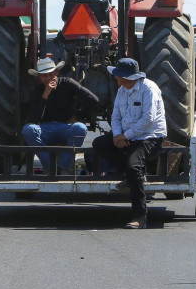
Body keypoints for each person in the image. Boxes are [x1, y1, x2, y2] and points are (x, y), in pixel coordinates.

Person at [92, 58, 167, 229]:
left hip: (148, 137)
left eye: (118, 75)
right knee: (99, 144)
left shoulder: (149, 89)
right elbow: (116, 115)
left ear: (128, 77)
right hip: (127, 136)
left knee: (134, 167)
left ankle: (140, 217)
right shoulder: (122, 91)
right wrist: (117, 135)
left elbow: (149, 120)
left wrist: (125, 136)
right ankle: (128, 175)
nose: (116, 78)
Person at [21, 57, 99, 174]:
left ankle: (64, 167)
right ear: (39, 76)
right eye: (44, 75)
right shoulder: (37, 91)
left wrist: (77, 116)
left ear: (57, 72)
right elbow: (34, 119)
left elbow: (93, 100)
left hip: (65, 127)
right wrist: (46, 94)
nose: (48, 78)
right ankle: (50, 166)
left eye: (50, 74)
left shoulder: (67, 83)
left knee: (80, 128)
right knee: (28, 130)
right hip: (45, 129)